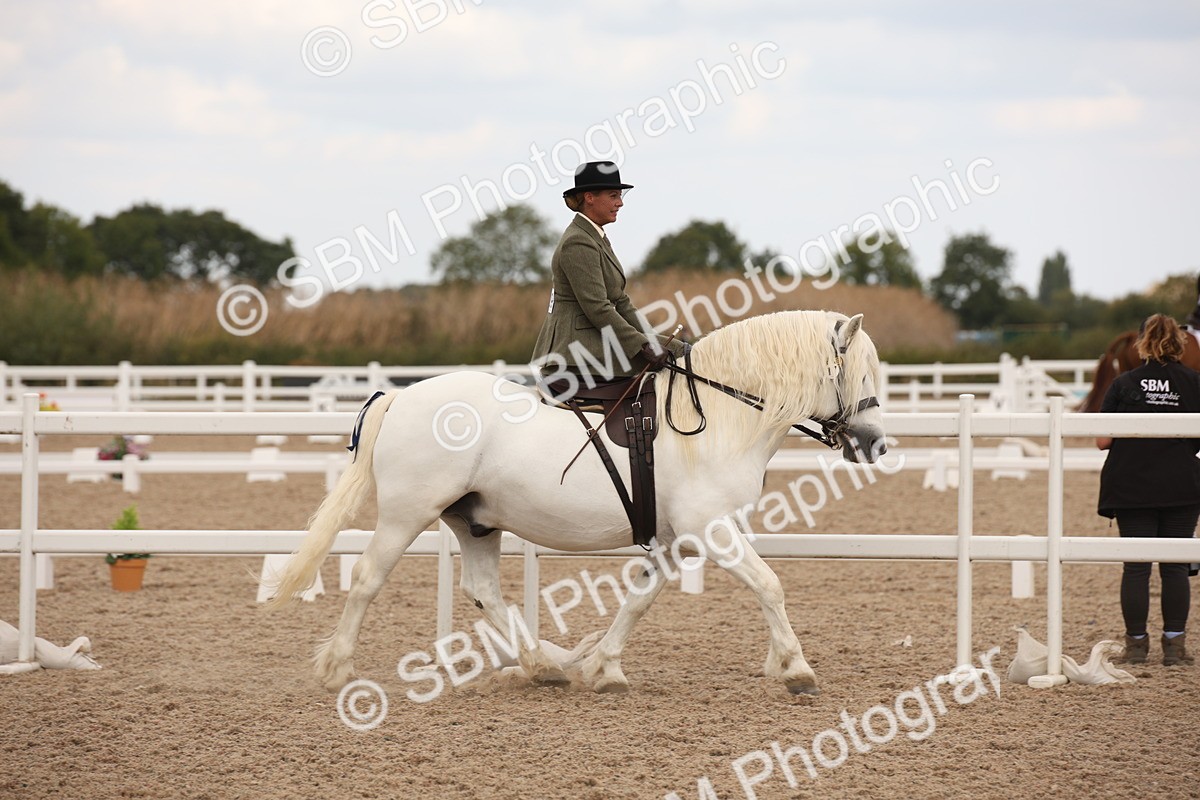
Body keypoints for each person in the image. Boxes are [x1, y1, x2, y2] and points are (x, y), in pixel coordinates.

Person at [1097, 313, 1200, 666]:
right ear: (1180, 343)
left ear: (1141, 342)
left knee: (1136, 567)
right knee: (1175, 567)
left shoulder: (1124, 384)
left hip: (1132, 487)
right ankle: (1174, 646)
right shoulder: (1194, 382)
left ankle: (1136, 646)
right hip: (1181, 487)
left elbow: (1101, 439)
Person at [531, 161, 685, 389]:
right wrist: (642, 346)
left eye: (620, 196)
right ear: (590, 197)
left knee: (682, 351)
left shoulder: (594, 235)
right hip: (577, 352)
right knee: (681, 357)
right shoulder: (578, 242)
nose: (620, 203)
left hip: (594, 341)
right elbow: (597, 308)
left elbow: (620, 301)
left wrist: (650, 338)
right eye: (613, 196)